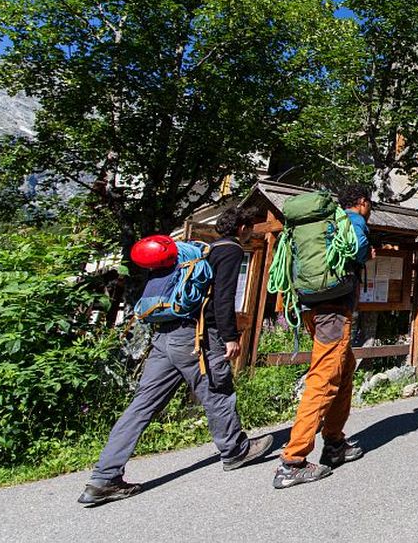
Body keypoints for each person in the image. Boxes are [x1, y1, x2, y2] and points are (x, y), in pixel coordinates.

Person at [78, 207, 273, 507]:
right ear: (243, 227)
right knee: (217, 390)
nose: (251, 233)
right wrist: (231, 338)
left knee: (142, 404)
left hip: (163, 334)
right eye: (250, 228)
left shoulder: (200, 250)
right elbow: (222, 298)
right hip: (192, 337)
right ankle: (235, 450)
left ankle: (103, 478)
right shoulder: (231, 250)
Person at [274, 185, 373, 489]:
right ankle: (294, 460)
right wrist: (367, 252)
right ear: (363, 202)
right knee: (324, 378)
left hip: (310, 307)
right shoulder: (352, 220)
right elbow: (357, 250)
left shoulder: (311, 225)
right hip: (334, 310)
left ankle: (334, 443)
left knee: (344, 370)